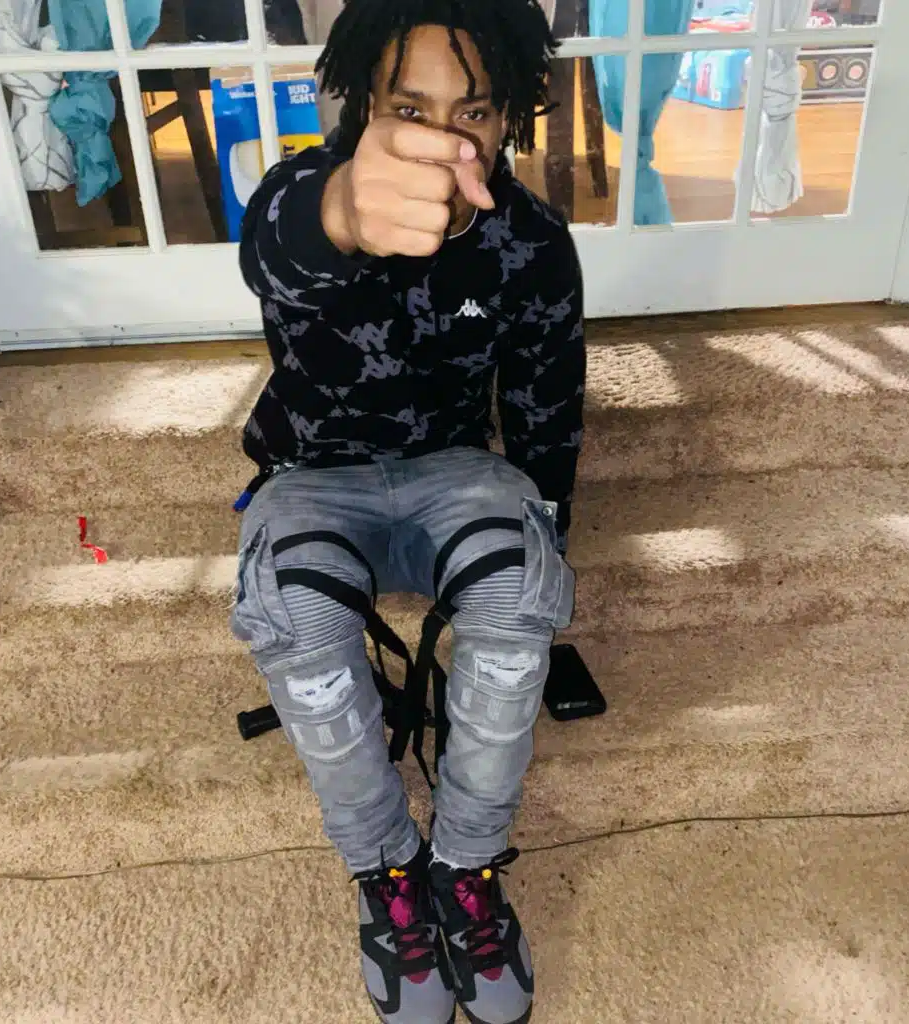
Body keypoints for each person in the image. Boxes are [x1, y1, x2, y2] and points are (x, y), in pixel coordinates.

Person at [231, 2, 585, 1022]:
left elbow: (545, 409)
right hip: (312, 474)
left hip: (453, 471)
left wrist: (544, 549)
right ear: (364, 105)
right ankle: (387, 871)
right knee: (296, 615)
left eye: (472, 111)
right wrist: (344, 211)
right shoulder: (302, 191)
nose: (443, 138)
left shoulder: (533, 240)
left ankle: (465, 865)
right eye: (410, 107)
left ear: (509, 115)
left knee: (519, 587)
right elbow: (273, 253)